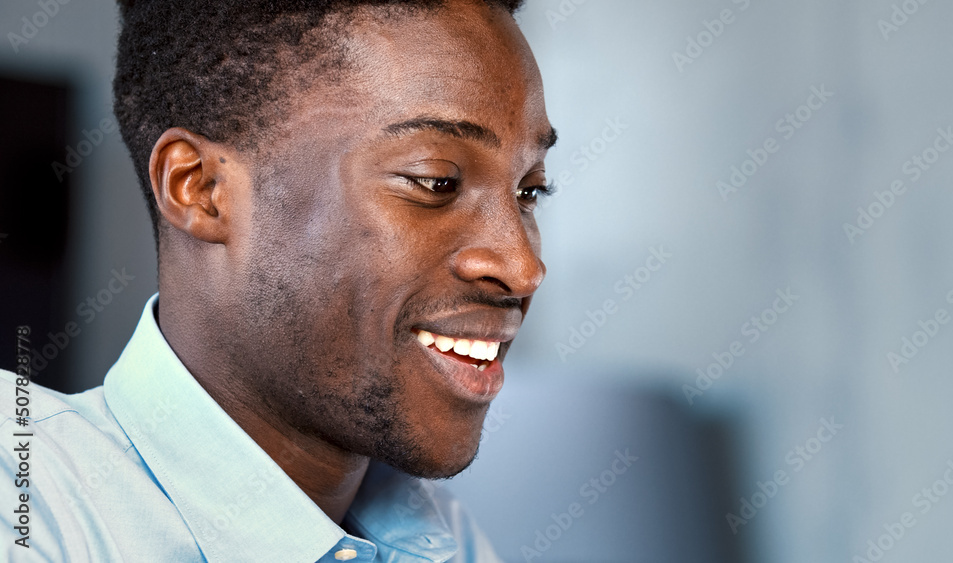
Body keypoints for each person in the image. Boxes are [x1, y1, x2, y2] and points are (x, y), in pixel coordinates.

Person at [0, 0, 558, 560]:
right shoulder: (26, 494)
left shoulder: (441, 539)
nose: (524, 269)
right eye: (435, 182)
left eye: (529, 191)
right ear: (200, 189)